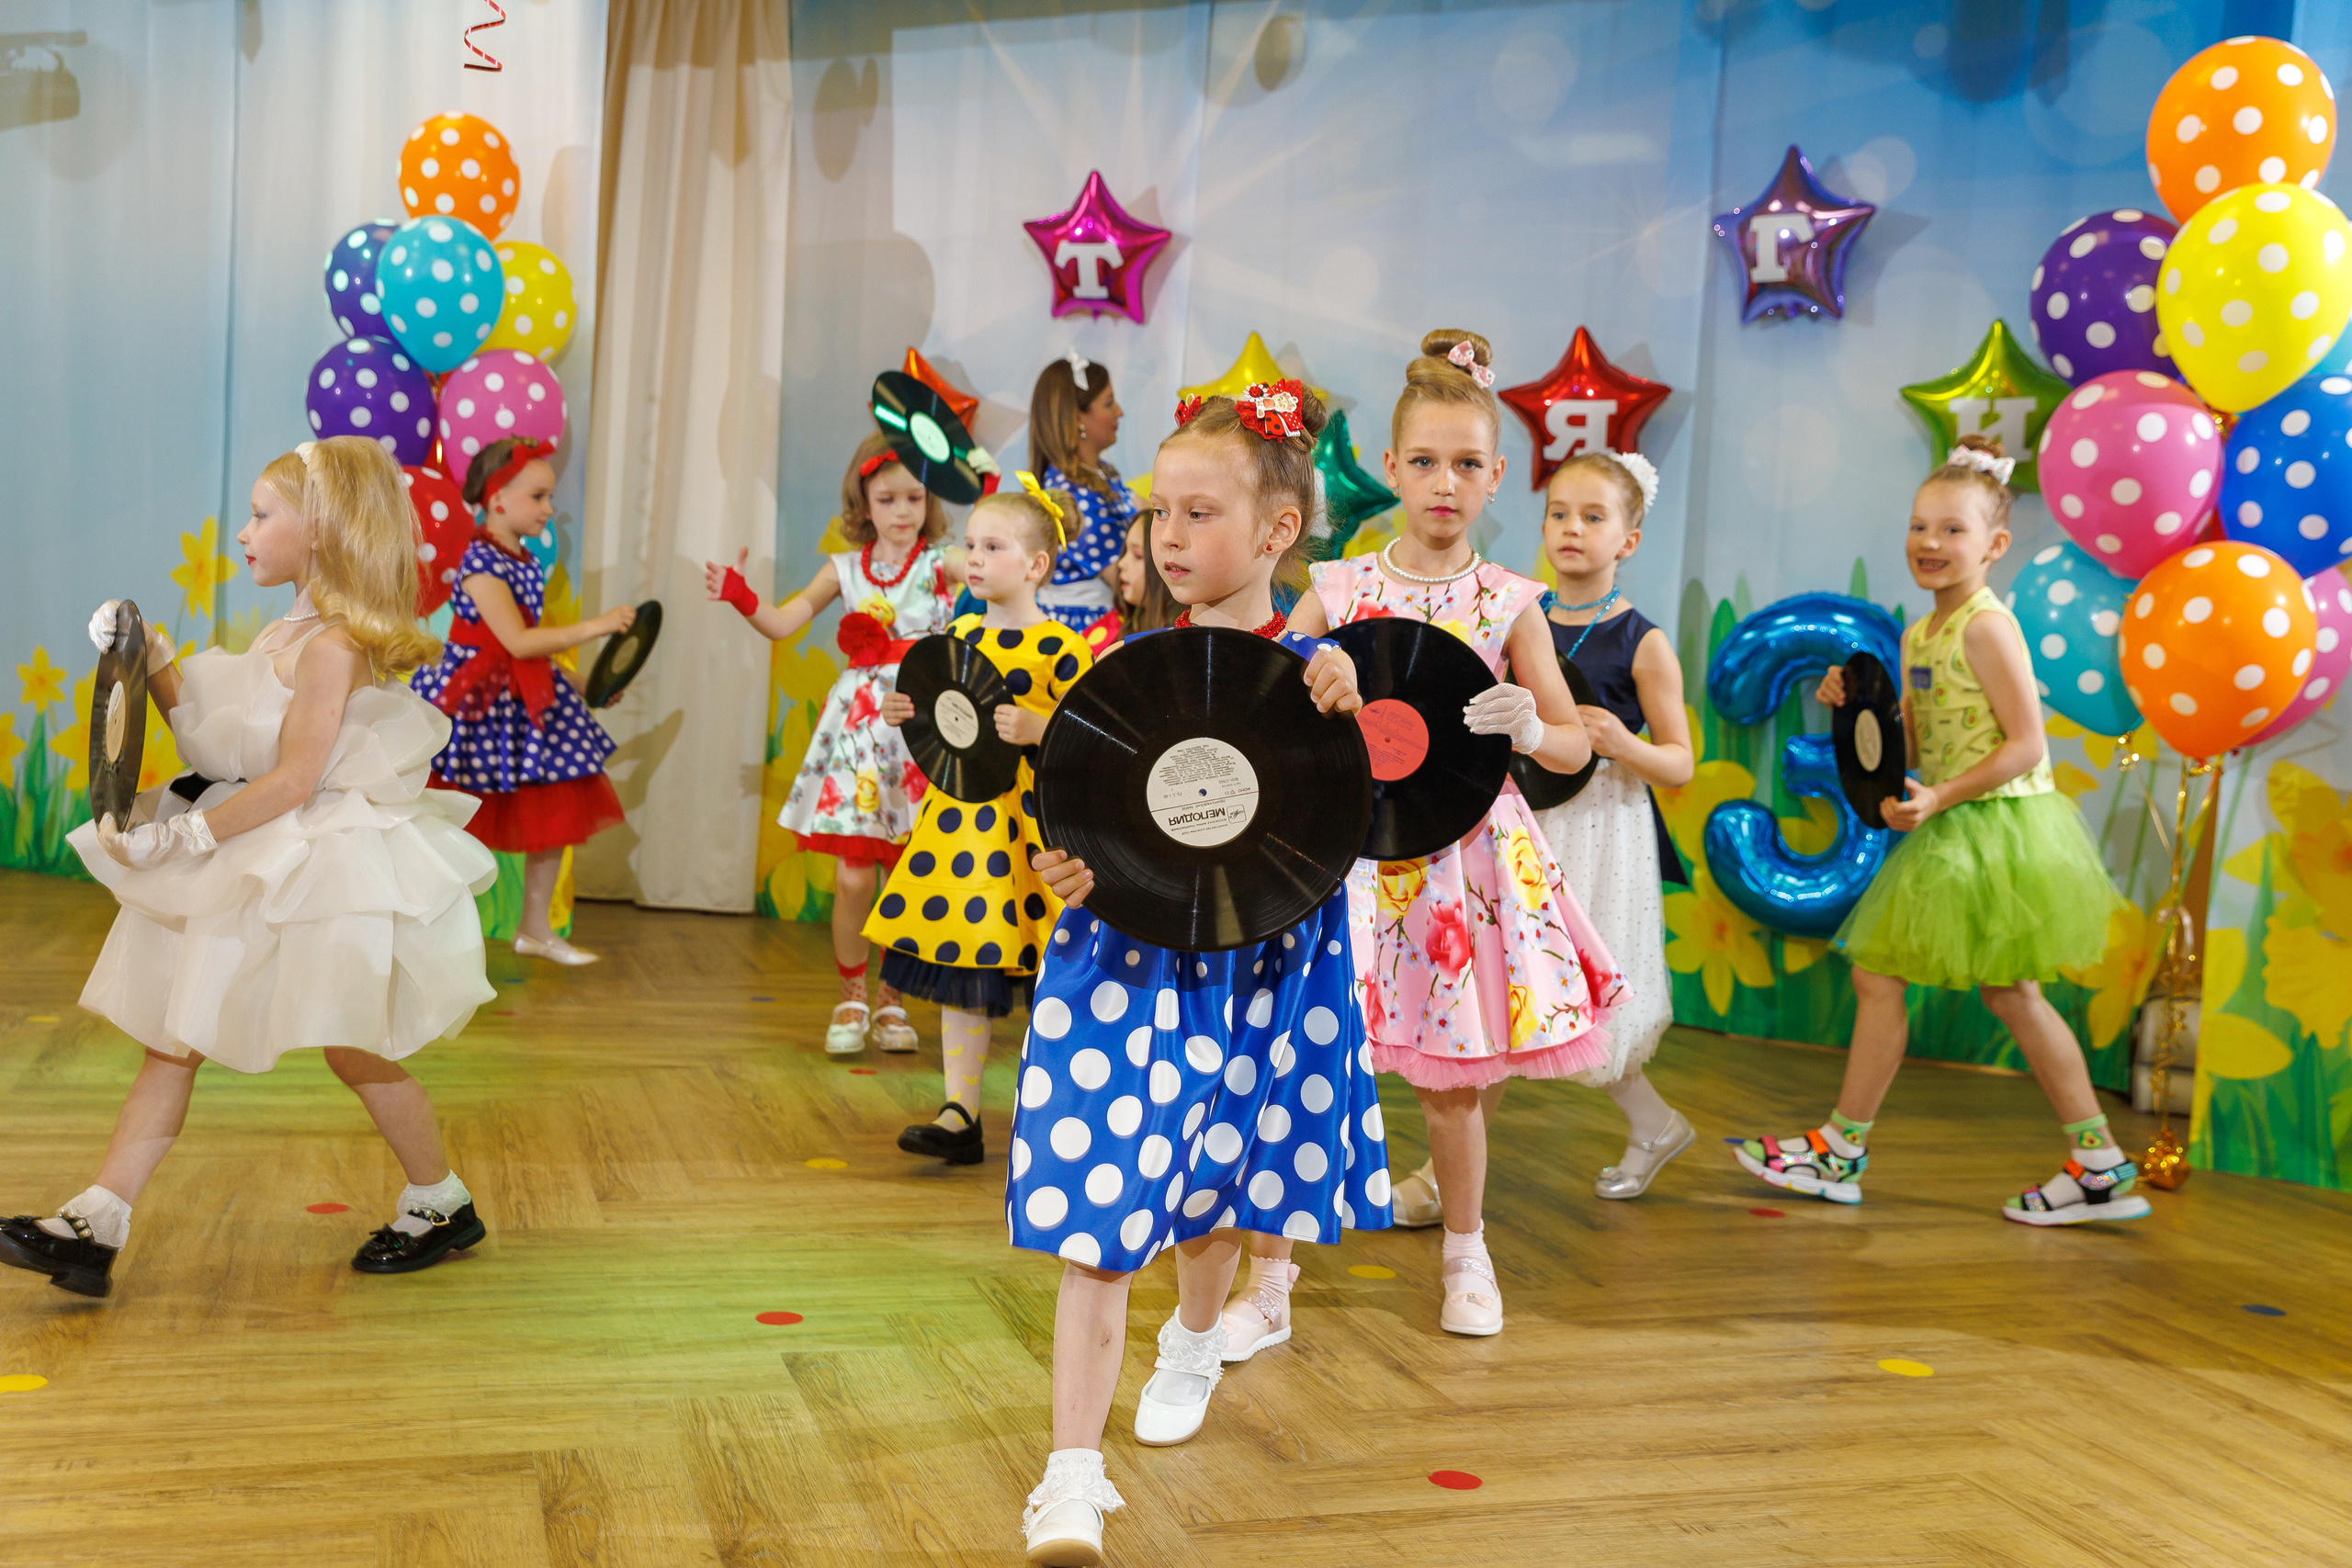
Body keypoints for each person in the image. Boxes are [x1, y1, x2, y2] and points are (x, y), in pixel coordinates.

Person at [1012, 383, 1390, 1567]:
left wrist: (1349, 718)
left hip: (1269, 963)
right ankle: (1070, 1477)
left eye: (1199, 513)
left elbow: (1360, 826)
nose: (1168, 539)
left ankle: (1191, 1337)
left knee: (1218, 1176)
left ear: (1276, 531)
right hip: (1123, 963)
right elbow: (1074, 819)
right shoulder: (1118, 667)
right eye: (1156, 513)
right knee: (1101, 1203)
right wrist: (1063, 869)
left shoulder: (1322, 669)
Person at [1, 437, 498, 1299]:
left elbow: (295, 778)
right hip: (253, 850)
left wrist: (185, 839)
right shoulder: (283, 629)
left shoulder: (333, 646)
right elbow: (217, 745)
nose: (243, 534)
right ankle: (96, 1221)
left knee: (358, 1048)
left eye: (263, 515)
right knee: (174, 1041)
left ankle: (439, 1200)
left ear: (323, 530)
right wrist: (153, 667)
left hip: (309, 860)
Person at [1270, 329, 1621, 1348]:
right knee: (1304, 1060)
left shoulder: (1512, 602)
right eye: (1422, 461)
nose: (1443, 483)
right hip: (1346, 860)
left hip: (1462, 863)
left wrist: (1531, 726)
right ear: (1389, 468)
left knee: (1453, 1077)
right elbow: (1267, 722)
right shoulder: (1335, 590)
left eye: (1467, 464)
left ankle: (1466, 1252)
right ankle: (1269, 1272)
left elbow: (1565, 751)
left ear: (1497, 477)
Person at [1732, 434, 2143, 1225]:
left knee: (1985, 988)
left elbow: (2026, 744)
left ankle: (1847, 1151)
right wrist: (1847, 707)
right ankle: (2093, 1161)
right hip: (1961, 819)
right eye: (1920, 526)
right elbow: (1910, 743)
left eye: (1952, 530)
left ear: (1994, 545)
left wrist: (1942, 796)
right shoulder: (1922, 634)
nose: (1930, 543)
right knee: (1924, 982)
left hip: (1998, 823)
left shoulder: (1988, 627)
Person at [708, 433, 957, 1055]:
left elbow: (994, 568)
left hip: (921, 728)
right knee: (853, 877)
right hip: (860, 738)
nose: (902, 511)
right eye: (887, 498)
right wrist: (741, 595)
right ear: (863, 503)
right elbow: (784, 622)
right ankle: (851, 990)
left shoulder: (941, 564)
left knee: (908, 873)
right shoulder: (842, 568)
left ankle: (893, 998)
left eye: (915, 497)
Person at [869, 478, 1089, 1165]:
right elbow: (940, 714)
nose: (975, 558)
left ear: (1035, 565)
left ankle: (1054, 1115)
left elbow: (1089, 738)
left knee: (1045, 976)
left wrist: (1040, 723)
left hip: (1030, 837)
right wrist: (909, 709)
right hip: (963, 836)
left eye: (993, 546)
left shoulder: (1061, 648)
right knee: (964, 961)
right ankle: (960, 1109)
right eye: (970, 545)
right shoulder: (959, 635)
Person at [1522, 448, 1695, 1200]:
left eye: (1594, 517)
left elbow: (1681, 761)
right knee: (1512, 981)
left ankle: (1653, 1122)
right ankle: (1443, 1170)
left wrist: (1625, 744)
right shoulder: (1521, 620)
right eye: (1560, 512)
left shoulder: (1643, 641)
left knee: (1586, 991)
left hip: (1603, 829)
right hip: (1530, 820)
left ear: (1628, 538)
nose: (1572, 528)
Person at [410, 435, 632, 965]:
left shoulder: (522, 559)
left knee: (551, 802)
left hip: (515, 696)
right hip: (472, 702)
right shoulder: (481, 561)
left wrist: (586, 686)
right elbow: (515, 641)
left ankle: (535, 927)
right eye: (538, 497)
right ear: (497, 499)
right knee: (447, 817)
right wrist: (597, 627)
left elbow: (527, 654)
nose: (549, 509)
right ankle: (428, 934)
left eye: (549, 497)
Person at [1029, 348, 1137, 647]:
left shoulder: (1102, 474)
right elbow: (1120, 575)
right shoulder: (1069, 493)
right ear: (1078, 417)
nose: (1119, 412)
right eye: (1108, 402)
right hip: (1085, 631)